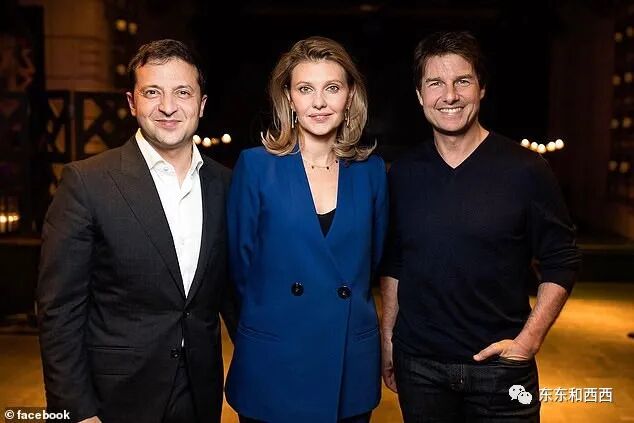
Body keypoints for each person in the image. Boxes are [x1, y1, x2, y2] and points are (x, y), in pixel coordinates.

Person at [380, 30, 582, 422]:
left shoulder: (526, 170)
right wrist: (389, 339)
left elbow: (562, 259)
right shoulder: (402, 174)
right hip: (420, 369)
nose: (449, 95)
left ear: (482, 88)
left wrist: (527, 343)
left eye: (462, 81)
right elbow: (395, 261)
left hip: (501, 371)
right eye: (435, 83)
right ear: (419, 95)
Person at [36, 39, 237, 423]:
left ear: (201, 104)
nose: (168, 106)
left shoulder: (226, 185)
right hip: (114, 400)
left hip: (200, 396)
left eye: (182, 92)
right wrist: (73, 410)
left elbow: (234, 297)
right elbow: (59, 309)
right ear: (132, 102)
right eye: (152, 92)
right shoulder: (87, 182)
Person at [225, 36, 388, 423]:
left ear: (350, 96)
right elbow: (239, 270)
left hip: (347, 363)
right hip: (273, 360)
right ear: (288, 97)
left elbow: (373, 264)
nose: (319, 102)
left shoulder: (372, 171)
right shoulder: (256, 166)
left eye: (332, 88)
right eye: (305, 89)